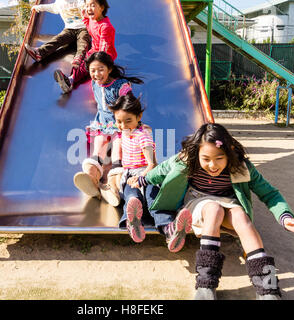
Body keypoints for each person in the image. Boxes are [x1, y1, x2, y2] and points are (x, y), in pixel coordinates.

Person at [130, 123, 294, 299]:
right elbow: (162, 169)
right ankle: (206, 285)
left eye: (219, 158)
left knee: (241, 216)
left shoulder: (241, 167)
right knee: (213, 209)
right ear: (197, 153)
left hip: (228, 202)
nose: (212, 165)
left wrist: (285, 217)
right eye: (206, 159)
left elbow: (269, 193)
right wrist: (142, 180)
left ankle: (267, 288)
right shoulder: (186, 160)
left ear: (229, 152)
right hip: (197, 201)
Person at [109, 93, 193, 252]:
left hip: (146, 175)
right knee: (131, 197)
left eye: (128, 121)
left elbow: (151, 164)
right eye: (119, 121)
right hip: (129, 175)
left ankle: (170, 230)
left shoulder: (143, 136)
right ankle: (134, 222)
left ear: (139, 116)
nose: (123, 125)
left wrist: (141, 179)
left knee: (153, 201)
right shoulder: (127, 132)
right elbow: (120, 128)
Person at [74, 52, 143, 207]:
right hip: (102, 125)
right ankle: (91, 178)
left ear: (109, 69)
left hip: (120, 124)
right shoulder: (94, 84)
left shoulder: (121, 86)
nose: (96, 74)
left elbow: (130, 107)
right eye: (93, 70)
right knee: (99, 145)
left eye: (100, 69)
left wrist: (135, 125)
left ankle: (113, 185)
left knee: (118, 147)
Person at [54, 0, 117, 94]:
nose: (88, 9)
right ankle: (70, 78)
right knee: (79, 61)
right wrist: (85, 17)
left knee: (86, 65)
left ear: (102, 8)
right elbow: (88, 25)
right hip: (94, 49)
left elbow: (104, 50)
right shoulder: (92, 19)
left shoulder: (105, 27)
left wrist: (95, 61)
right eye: (87, 6)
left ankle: (71, 81)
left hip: (105, 55)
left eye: (92, 5)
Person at [25, 0, 91, 70]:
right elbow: (52, 7)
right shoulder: (60, 2)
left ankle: (79, 57)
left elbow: (89, 8)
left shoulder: (80, 1)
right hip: (69, 29)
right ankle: (40, 53)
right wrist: (39, 7)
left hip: (83, 28)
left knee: (83, 41)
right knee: (58, 39)